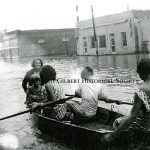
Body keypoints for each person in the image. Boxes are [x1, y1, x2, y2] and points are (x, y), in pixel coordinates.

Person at [103, 58, 150, 148]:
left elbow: (132, 117)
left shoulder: (141, 91)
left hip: (144, 128)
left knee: (117, 121)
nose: (139, 76)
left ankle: (121, 145)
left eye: (139, 73)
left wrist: (112, 135)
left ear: (141, 73)